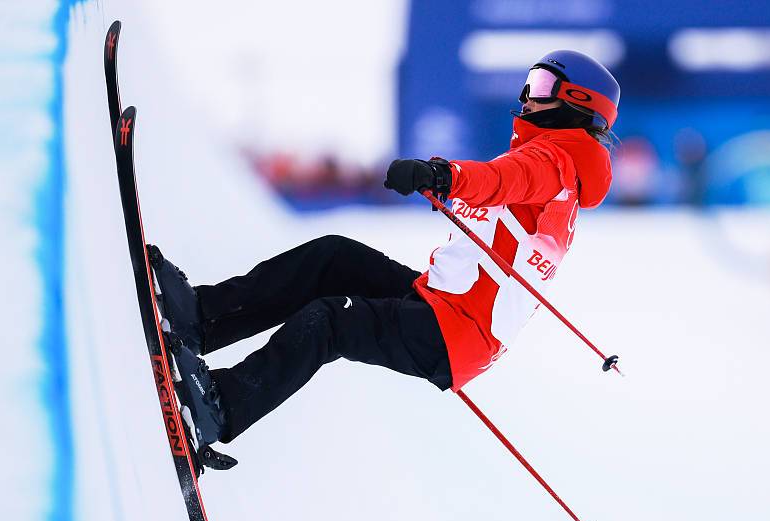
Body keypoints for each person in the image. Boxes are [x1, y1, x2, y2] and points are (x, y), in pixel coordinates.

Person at [151, 50, 620, 473]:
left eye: (540, 86)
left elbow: (499, 179)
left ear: (576, 102)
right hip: (441, 302)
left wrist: (443, 174)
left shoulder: (553, 163)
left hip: (455, 333)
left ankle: (221, 408)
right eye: (529, 82)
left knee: (330, 321)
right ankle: (202, 319)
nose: (526, 97)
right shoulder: (553, 163)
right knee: (332, 257)